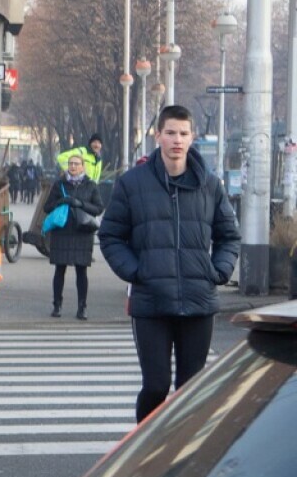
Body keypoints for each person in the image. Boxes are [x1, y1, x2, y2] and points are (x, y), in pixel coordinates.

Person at [98, 104, 240, 421]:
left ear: (192, 138)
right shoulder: (132, 183)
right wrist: (136, 272)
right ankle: (143, 449)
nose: (177, 140)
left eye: (184, 133)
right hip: (151, 302)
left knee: (190, 389)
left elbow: (229, 236)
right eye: (171, 132)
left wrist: (218, 271)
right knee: (156, 385)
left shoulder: (210, 185)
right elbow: (110, 235)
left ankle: (182, 456)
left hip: (198, 301)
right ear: (158, 135)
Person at [40, 153, 103, 319]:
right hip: (62, 232)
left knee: (81, 271)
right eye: (70, 164)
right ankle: (57, 305)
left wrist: (80, 203)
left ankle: (82, 307)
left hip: (82, 232)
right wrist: (61, 201)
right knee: (59, 269)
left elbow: (98, 208)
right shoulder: (59, 184)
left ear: (83, 166)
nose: (73, 166)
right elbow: (47, 207)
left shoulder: (90, 185)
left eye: (76, 164)